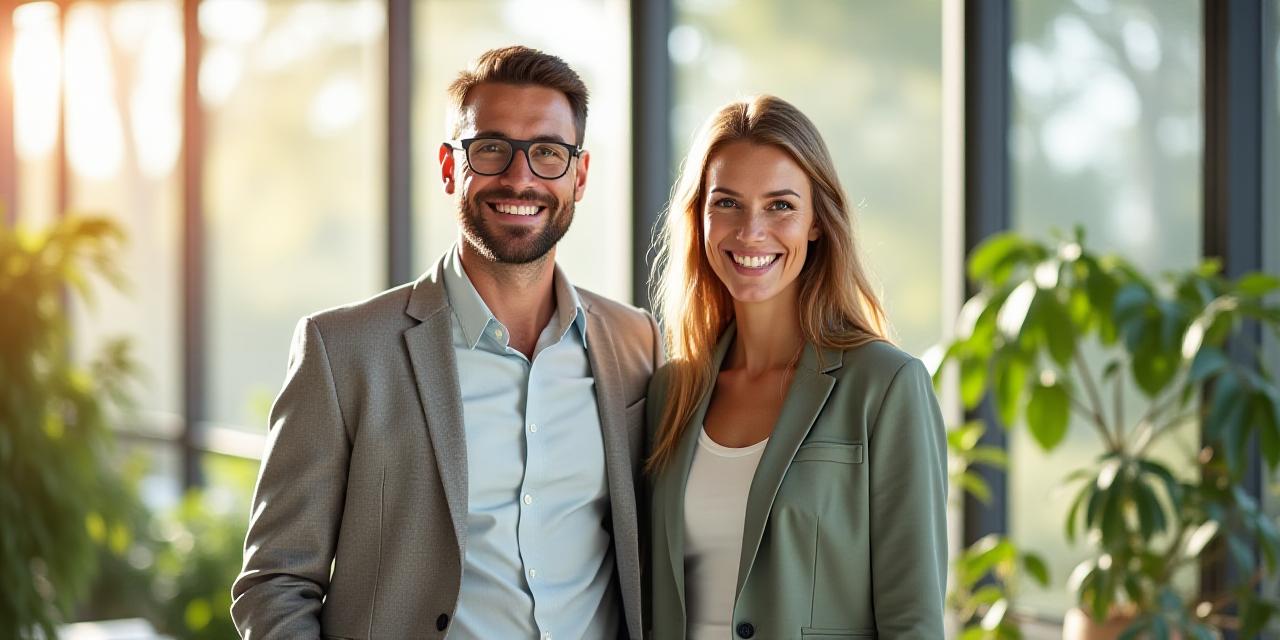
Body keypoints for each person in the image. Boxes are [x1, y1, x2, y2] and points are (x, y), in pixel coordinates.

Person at [231, 46, 659, 639]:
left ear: (579, 176)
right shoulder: (344, 352)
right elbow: (276, 583)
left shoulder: (636, 344)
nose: (519, 177)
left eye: (547, 153)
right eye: (490, 149)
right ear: (448, 166)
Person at [646, 95, 948, 639]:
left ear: (816, 222)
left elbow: (913, 621)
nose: (750, 232)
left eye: (780, 205)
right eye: (727, 204)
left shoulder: (885, 387)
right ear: (699, 218)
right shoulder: (671, 393)